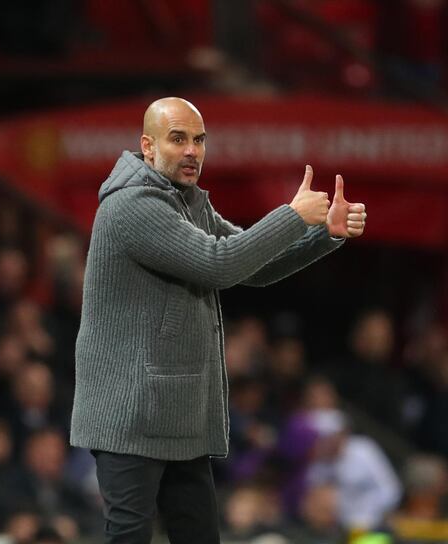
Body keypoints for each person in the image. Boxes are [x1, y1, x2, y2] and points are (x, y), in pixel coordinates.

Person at [69, 97, 367, 543]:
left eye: (199, 139)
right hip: (129, 414)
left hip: (175, 410)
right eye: (178, 139)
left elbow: (256, 265)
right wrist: (290, 216)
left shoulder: (187, 201)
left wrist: (323, 233)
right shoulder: (132, 205)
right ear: (147, 147)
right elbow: (218, 263)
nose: (192, 150)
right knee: (128, 537)